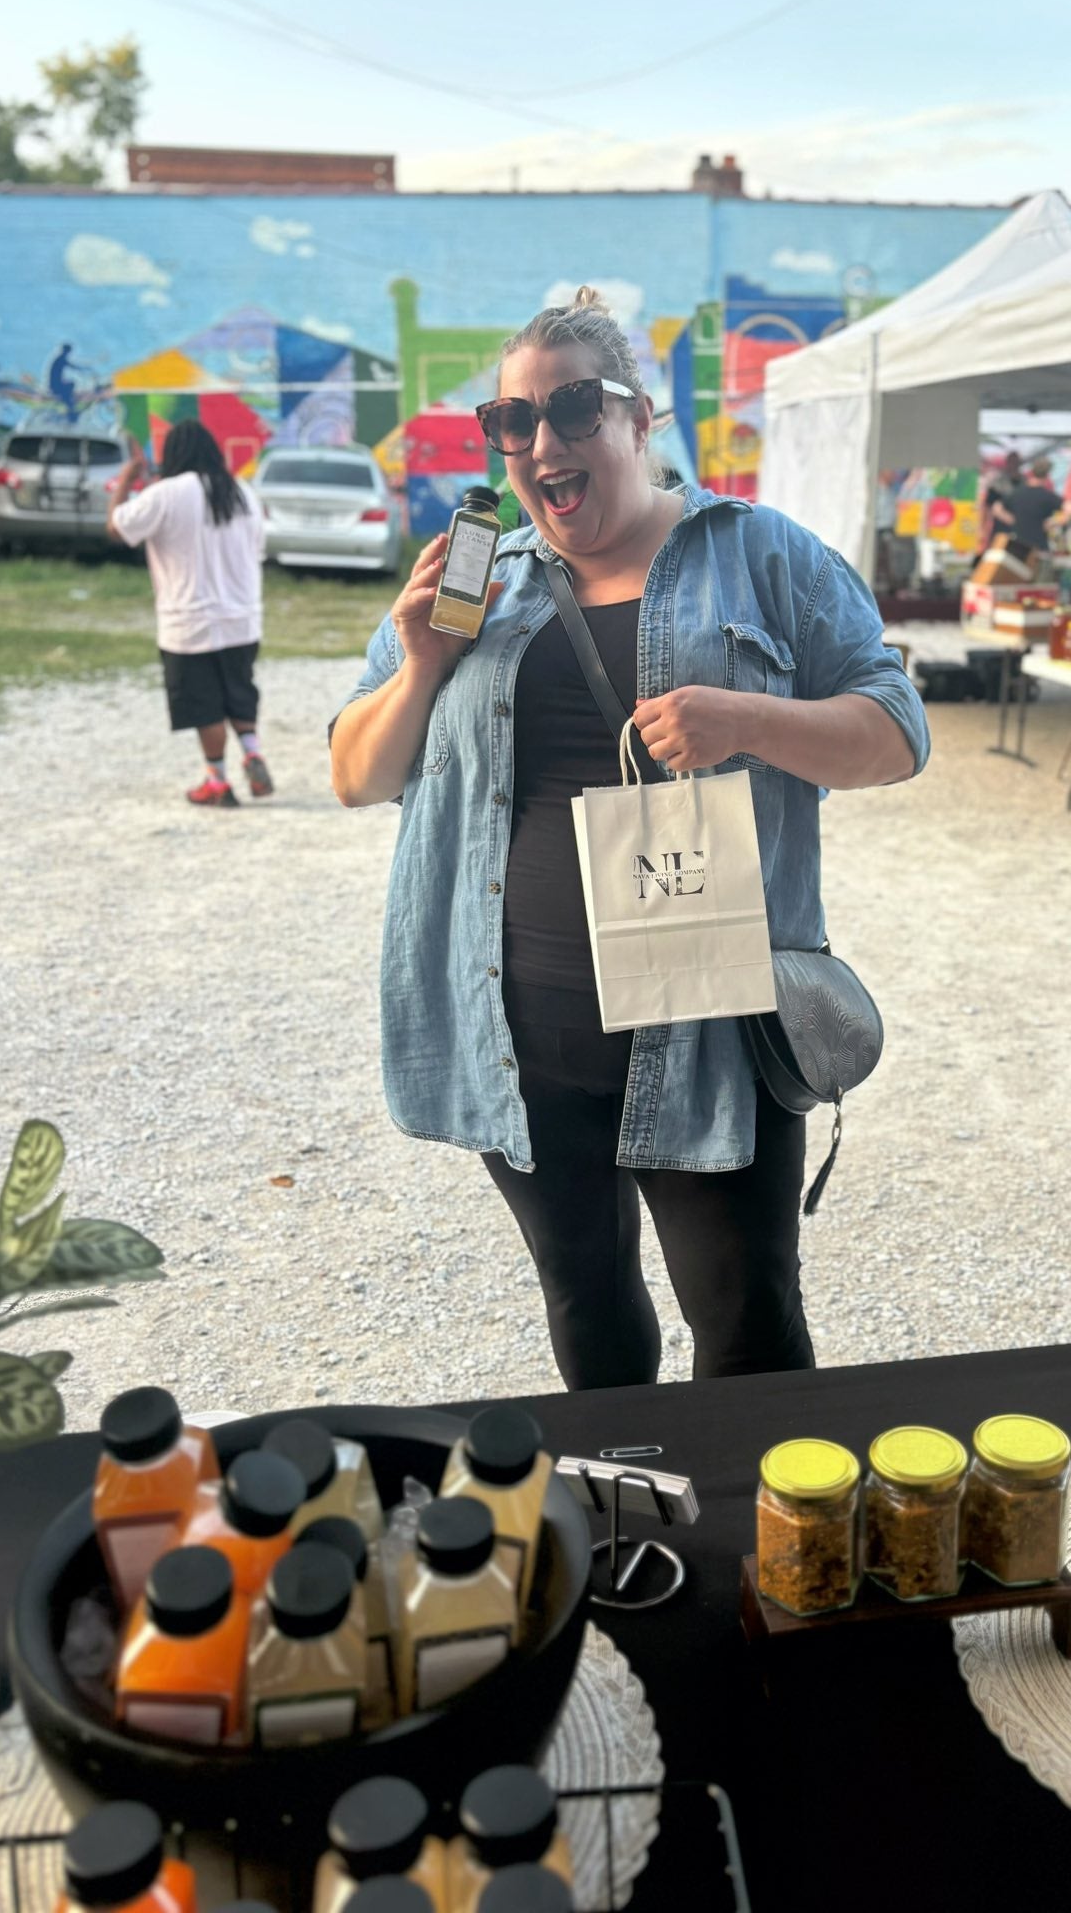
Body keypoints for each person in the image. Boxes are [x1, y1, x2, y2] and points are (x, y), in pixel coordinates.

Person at [331, 288, 929, 1392]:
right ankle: (637, 1534)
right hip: (522, 1034)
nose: (542, 441)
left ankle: (764, 1551)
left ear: (639, 418)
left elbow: (897, 733)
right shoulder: (479, 584)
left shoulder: (760, 555)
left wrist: (749, 720)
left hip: (710, 1027)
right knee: (589, 1308)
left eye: (572, 411)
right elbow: (356, 772)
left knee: (750, 1329)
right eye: (512, 422)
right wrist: (419, 662)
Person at [108, 424, 274, 808]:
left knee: (205, 704)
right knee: (238, 691)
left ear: (174, 455)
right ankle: (253, 753)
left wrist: (126, 479)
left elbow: (116, 528)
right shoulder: (242, 493)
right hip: (242, 619)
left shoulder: (165, 494)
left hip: (188, 623)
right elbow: (257, 550)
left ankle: (216, 781)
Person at [989, 454, 1062, 568]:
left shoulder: (1017, 492)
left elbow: (996, 508)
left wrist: (1013, 521)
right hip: (1038, 547)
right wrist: (1053, 522)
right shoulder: (1047, 496)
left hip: (1018, 546)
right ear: (1047, 475)